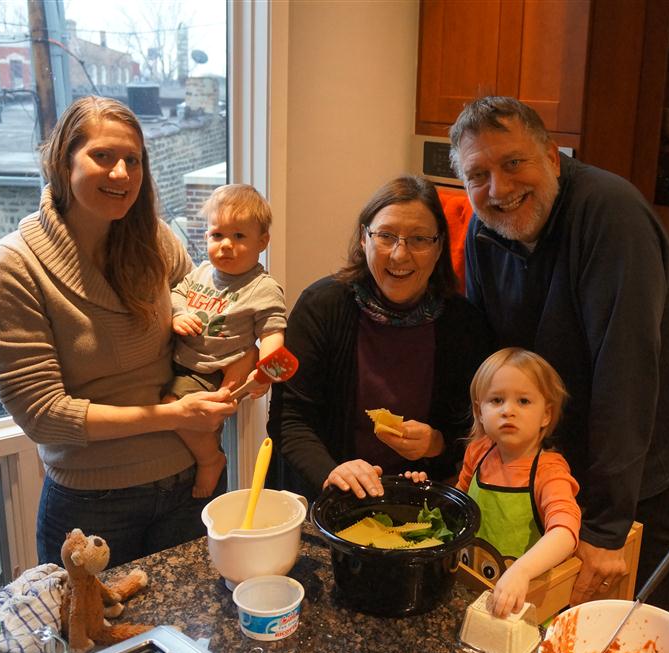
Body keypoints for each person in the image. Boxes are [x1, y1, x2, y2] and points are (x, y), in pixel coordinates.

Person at [451, 96, 669, 612]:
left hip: (648, 466)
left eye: (513, 162)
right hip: (556, 462)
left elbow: (627, 372)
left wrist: (605, 526)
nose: (499, 189)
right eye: (478, 175)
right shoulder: (483, 230)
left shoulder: (611, 215)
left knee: (620, 629)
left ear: (552, 158)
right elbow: (490, 361)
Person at [0, 96, 237, 567]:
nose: (121, 174)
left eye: (132, 160)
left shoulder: (155, 240)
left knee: (194, 613)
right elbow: (42, 415)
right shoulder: (15, 265)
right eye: (102, 156)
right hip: (92, 505)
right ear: (64, 162)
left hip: (190, 483)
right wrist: (173, 414)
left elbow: (208, 317)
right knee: (90, 617)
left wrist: (244, 352)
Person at [267, 175, 493, 500]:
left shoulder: (465, 324)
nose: (400, 255)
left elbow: (480, 428)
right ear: (364, 239)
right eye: (386, 236)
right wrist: (332, 472)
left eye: (419, 239)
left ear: (439, 246)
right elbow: (289, 419)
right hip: (329, 499)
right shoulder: (321, 306)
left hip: (421, 501)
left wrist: (437, 443)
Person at [410, 347, 580, 617]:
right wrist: (425, 496)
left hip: (523, 607)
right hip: (470, 586)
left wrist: (521, 572)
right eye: (497, 400)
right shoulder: (477, 452)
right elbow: (457, 507)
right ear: (480, 411)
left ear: (546, 415)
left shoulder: (549, 472)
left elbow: (565, 533)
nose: (508, 411)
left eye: (523, 401)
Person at [167, 184, 287, 498]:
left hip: (212, 370)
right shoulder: (202, 272)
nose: (226, 246)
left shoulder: (262, 288)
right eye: (217, 235)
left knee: (171, 406)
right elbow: (177, 294)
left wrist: (265, 371)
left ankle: (210, 459)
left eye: (239, 236)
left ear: (262, 242)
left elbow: (272, 332)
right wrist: (178, 314)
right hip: (184, 360)